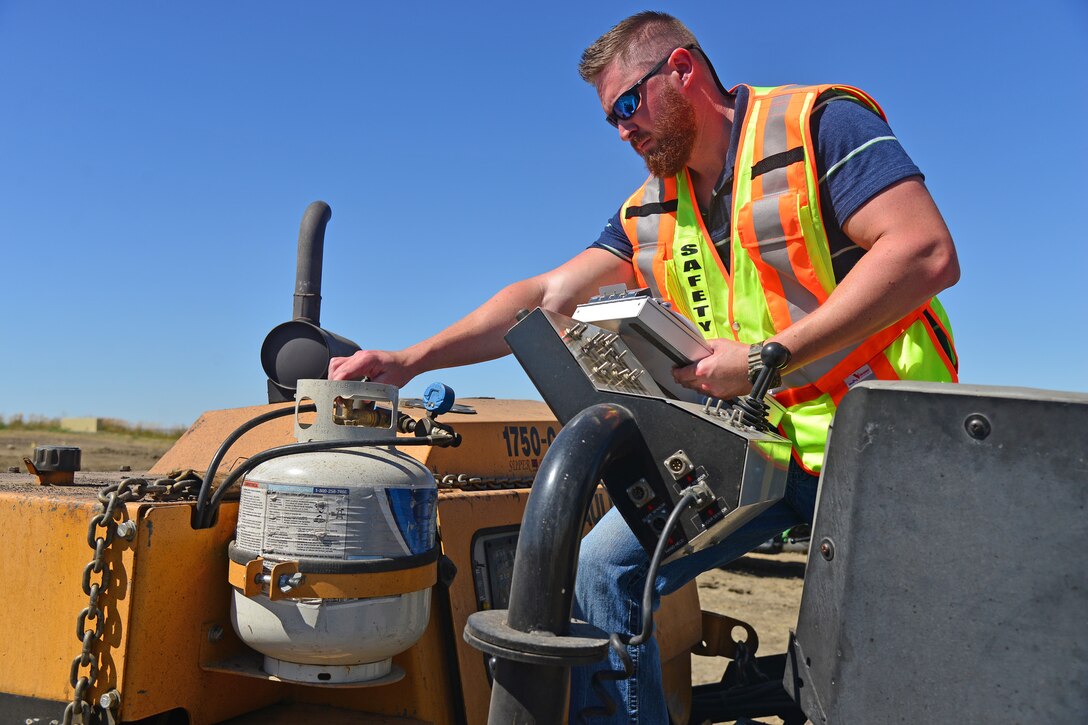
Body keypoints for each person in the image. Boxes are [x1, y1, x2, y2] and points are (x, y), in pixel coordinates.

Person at [330, 11, 960, 723]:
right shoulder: (650, 212)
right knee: (603, 568)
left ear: (684, 71)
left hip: (874, 442)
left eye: (628, 105)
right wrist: (410, 359)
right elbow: (541, 299)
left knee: (880, 648)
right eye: (611, 121)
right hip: (759, 447)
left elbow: (925, 250)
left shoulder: (819, 127)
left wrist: (763, 359)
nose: (623, 130)